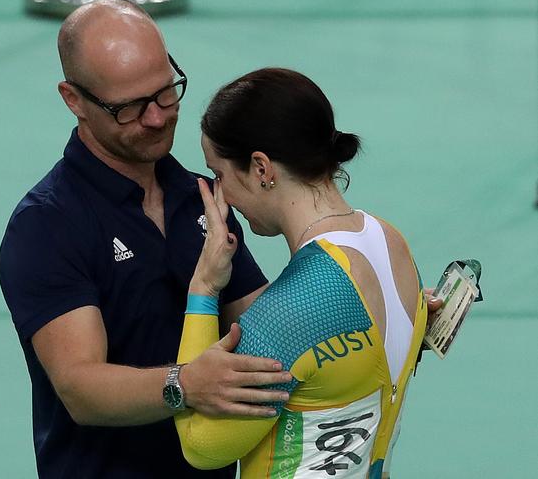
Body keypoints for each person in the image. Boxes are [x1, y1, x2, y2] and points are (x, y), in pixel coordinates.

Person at [0, 0, 294, 479]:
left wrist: (377, 305)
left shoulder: (201, 197)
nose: (157, 118)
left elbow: (265, 323)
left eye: (165, 93)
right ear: (74, 100)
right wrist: (185, 385)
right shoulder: (46, 225)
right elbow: (81, 388)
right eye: (130, 107)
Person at [174, 68, 429, 479]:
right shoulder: (393, 244)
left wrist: (203, 287)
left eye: (219, 175)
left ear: (261, 167)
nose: (220, 196)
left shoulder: (290, 314)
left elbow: (201, 446)